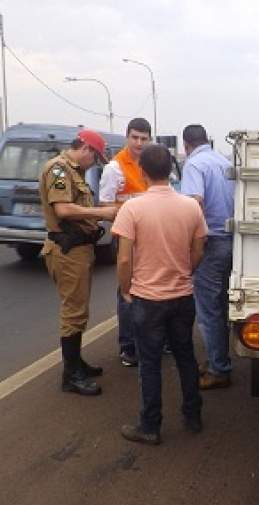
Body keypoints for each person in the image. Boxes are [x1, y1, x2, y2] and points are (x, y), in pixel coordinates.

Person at [112, 144, 207, 445]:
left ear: (142, 171)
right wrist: (185, 272)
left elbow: (124, 259)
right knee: (185, 357)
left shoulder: (132, 209)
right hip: (182, 296)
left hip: (147, 299)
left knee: (149, 363)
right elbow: (199, 249)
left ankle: (150, 426)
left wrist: (126, 289)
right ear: (171, 170)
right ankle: (193, 416)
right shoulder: (191, 207)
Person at [39, 129, 117, 396]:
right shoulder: (59, 169)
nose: (94, 163)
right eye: (94, 158)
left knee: (79, 309)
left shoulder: (74, 171)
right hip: (68, 249)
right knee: (73, 312)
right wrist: (102, 213)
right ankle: (71, 375)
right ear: (85, 149)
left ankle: (76, 362)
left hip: (79, 249)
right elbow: (62, 209)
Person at [180, 124, 236, 390]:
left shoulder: (194, 165)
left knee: (208, 310)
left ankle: (219, 369)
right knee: (222, 306)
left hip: (210, 243)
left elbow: (194, 203)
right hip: (231, 241)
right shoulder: (223, 161)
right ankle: (218, 359)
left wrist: (192, 243)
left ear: (186, 145)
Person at [99, 118, 152, 368]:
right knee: (127, 290)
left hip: (150, 238)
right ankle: (129, 347)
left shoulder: (150, 163)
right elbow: (105, 205)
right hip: (128, 237)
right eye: (135, 137)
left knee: (150, 290)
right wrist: (132, 213)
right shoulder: (114, 168)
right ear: (127, 137)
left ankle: (151, 342)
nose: (139, 143)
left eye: (144, 138)